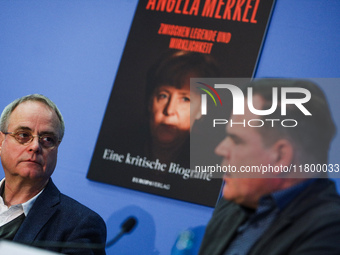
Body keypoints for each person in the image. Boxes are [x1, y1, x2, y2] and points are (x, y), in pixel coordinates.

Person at [198, 79, 340, 255]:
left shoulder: (329, 232)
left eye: (236, 140)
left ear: (280, 157)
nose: (220, 149)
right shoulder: (232, 205)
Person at [0, 94, 106, 254]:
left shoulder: (79, 225)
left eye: (47, 139)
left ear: (57, 148)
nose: (35, 146)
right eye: (23, 135)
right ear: (1, 141)